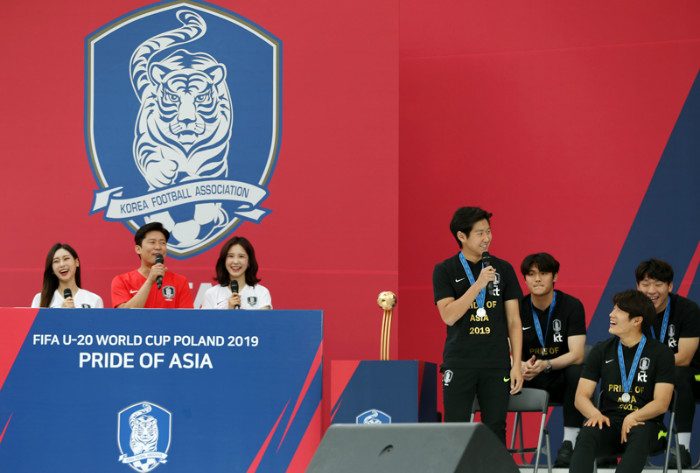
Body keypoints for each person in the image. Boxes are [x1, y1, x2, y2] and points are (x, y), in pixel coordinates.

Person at [432, 206, 523, 444]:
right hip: (460, 361)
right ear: (462, 236)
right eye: (480, 233)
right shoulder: (444, 270)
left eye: (489, 231)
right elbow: (449, 316)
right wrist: (478, 285)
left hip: (496, 362)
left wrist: (516, 364)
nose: (487, 238)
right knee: (456, 429)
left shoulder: (504, 269)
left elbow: (514, 321)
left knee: (495, 428)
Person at [569, 290, 675, 473]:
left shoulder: (661, 353)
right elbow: (581, 397)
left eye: (618, 310)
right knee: (589, 431)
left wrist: (634, 416)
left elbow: (662, 403)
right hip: (610, 423)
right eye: (613, 308)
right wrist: (594, 413)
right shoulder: (602, 350)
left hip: (648, 425)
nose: (611, 314)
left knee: (640, 432)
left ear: (636, 320)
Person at [519, 253, 586, 467]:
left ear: (554, 277)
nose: (537, 279)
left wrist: (546, 364)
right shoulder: (516, 308)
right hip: (525, 377)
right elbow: (506, 348)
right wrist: (518, 365)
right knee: (495, 374)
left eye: (544, 273)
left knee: (578, 371)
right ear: (525, 279)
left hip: (559, 378)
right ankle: (495, 443)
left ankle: (570, 443)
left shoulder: (571, 306)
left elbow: (577, 353)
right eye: (531, 274)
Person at [635, 258, 700, 468]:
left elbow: (685, 357)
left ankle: (682, 449)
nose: (651, 290)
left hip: (692, 376)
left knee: (678, 374)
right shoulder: (633, 313)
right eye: (645, 284)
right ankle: (614, 446)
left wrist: (652, 363)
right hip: (650, 375)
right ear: (638, 286)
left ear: (670, 286)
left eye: (658, 284)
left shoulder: (687, 310)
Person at [111, 222, 194, 308]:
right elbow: (123, 316)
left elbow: (186, 318)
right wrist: (150, 281)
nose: (158, 247)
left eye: (162, 243)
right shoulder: (122, 281)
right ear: (138, 249)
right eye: (152, 242)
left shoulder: (180, 281)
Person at [201, 236, 272, 310]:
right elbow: (206, 321)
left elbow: (263, 320)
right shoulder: (211, 293)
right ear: (224, 261)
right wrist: (229, 309)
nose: (235, 261)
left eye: (241, 256)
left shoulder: (261, 292)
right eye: (231, 256)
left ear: (249, 262)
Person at [31, 243, 103, 308]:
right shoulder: (40, 300)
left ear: (76, 262)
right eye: (56, 261)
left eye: (66, 259)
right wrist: (62, 313)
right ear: (52, 269)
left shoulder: (94, 300)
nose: (62, 264)